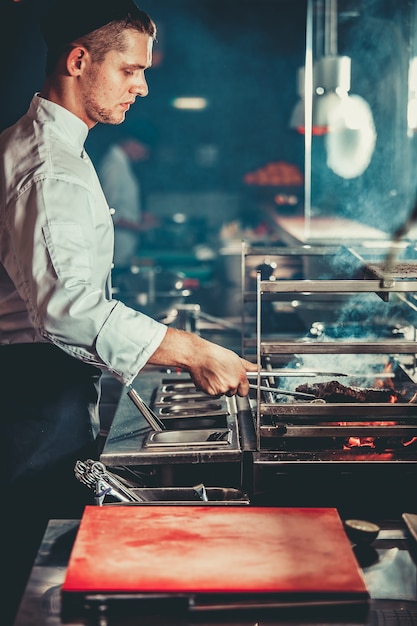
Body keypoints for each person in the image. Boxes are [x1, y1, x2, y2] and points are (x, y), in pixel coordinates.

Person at [0, 0, 257, 623]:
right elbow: (67, 310)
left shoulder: (53, 146)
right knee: (26, 567)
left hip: (39, 392)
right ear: (78, 59)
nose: (143, 86)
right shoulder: (49, 168)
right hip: (32, 401)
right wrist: (192, 349)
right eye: (131, 70)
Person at [98, 134, 158, 267]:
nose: (145, 156)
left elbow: (122, 203)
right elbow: (107, 211)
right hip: (117, 246)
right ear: (132, 142)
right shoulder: (113, 165)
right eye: (145, 150)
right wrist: (140, 227)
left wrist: (140, 215)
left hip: (126, 246)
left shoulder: (122, 163)